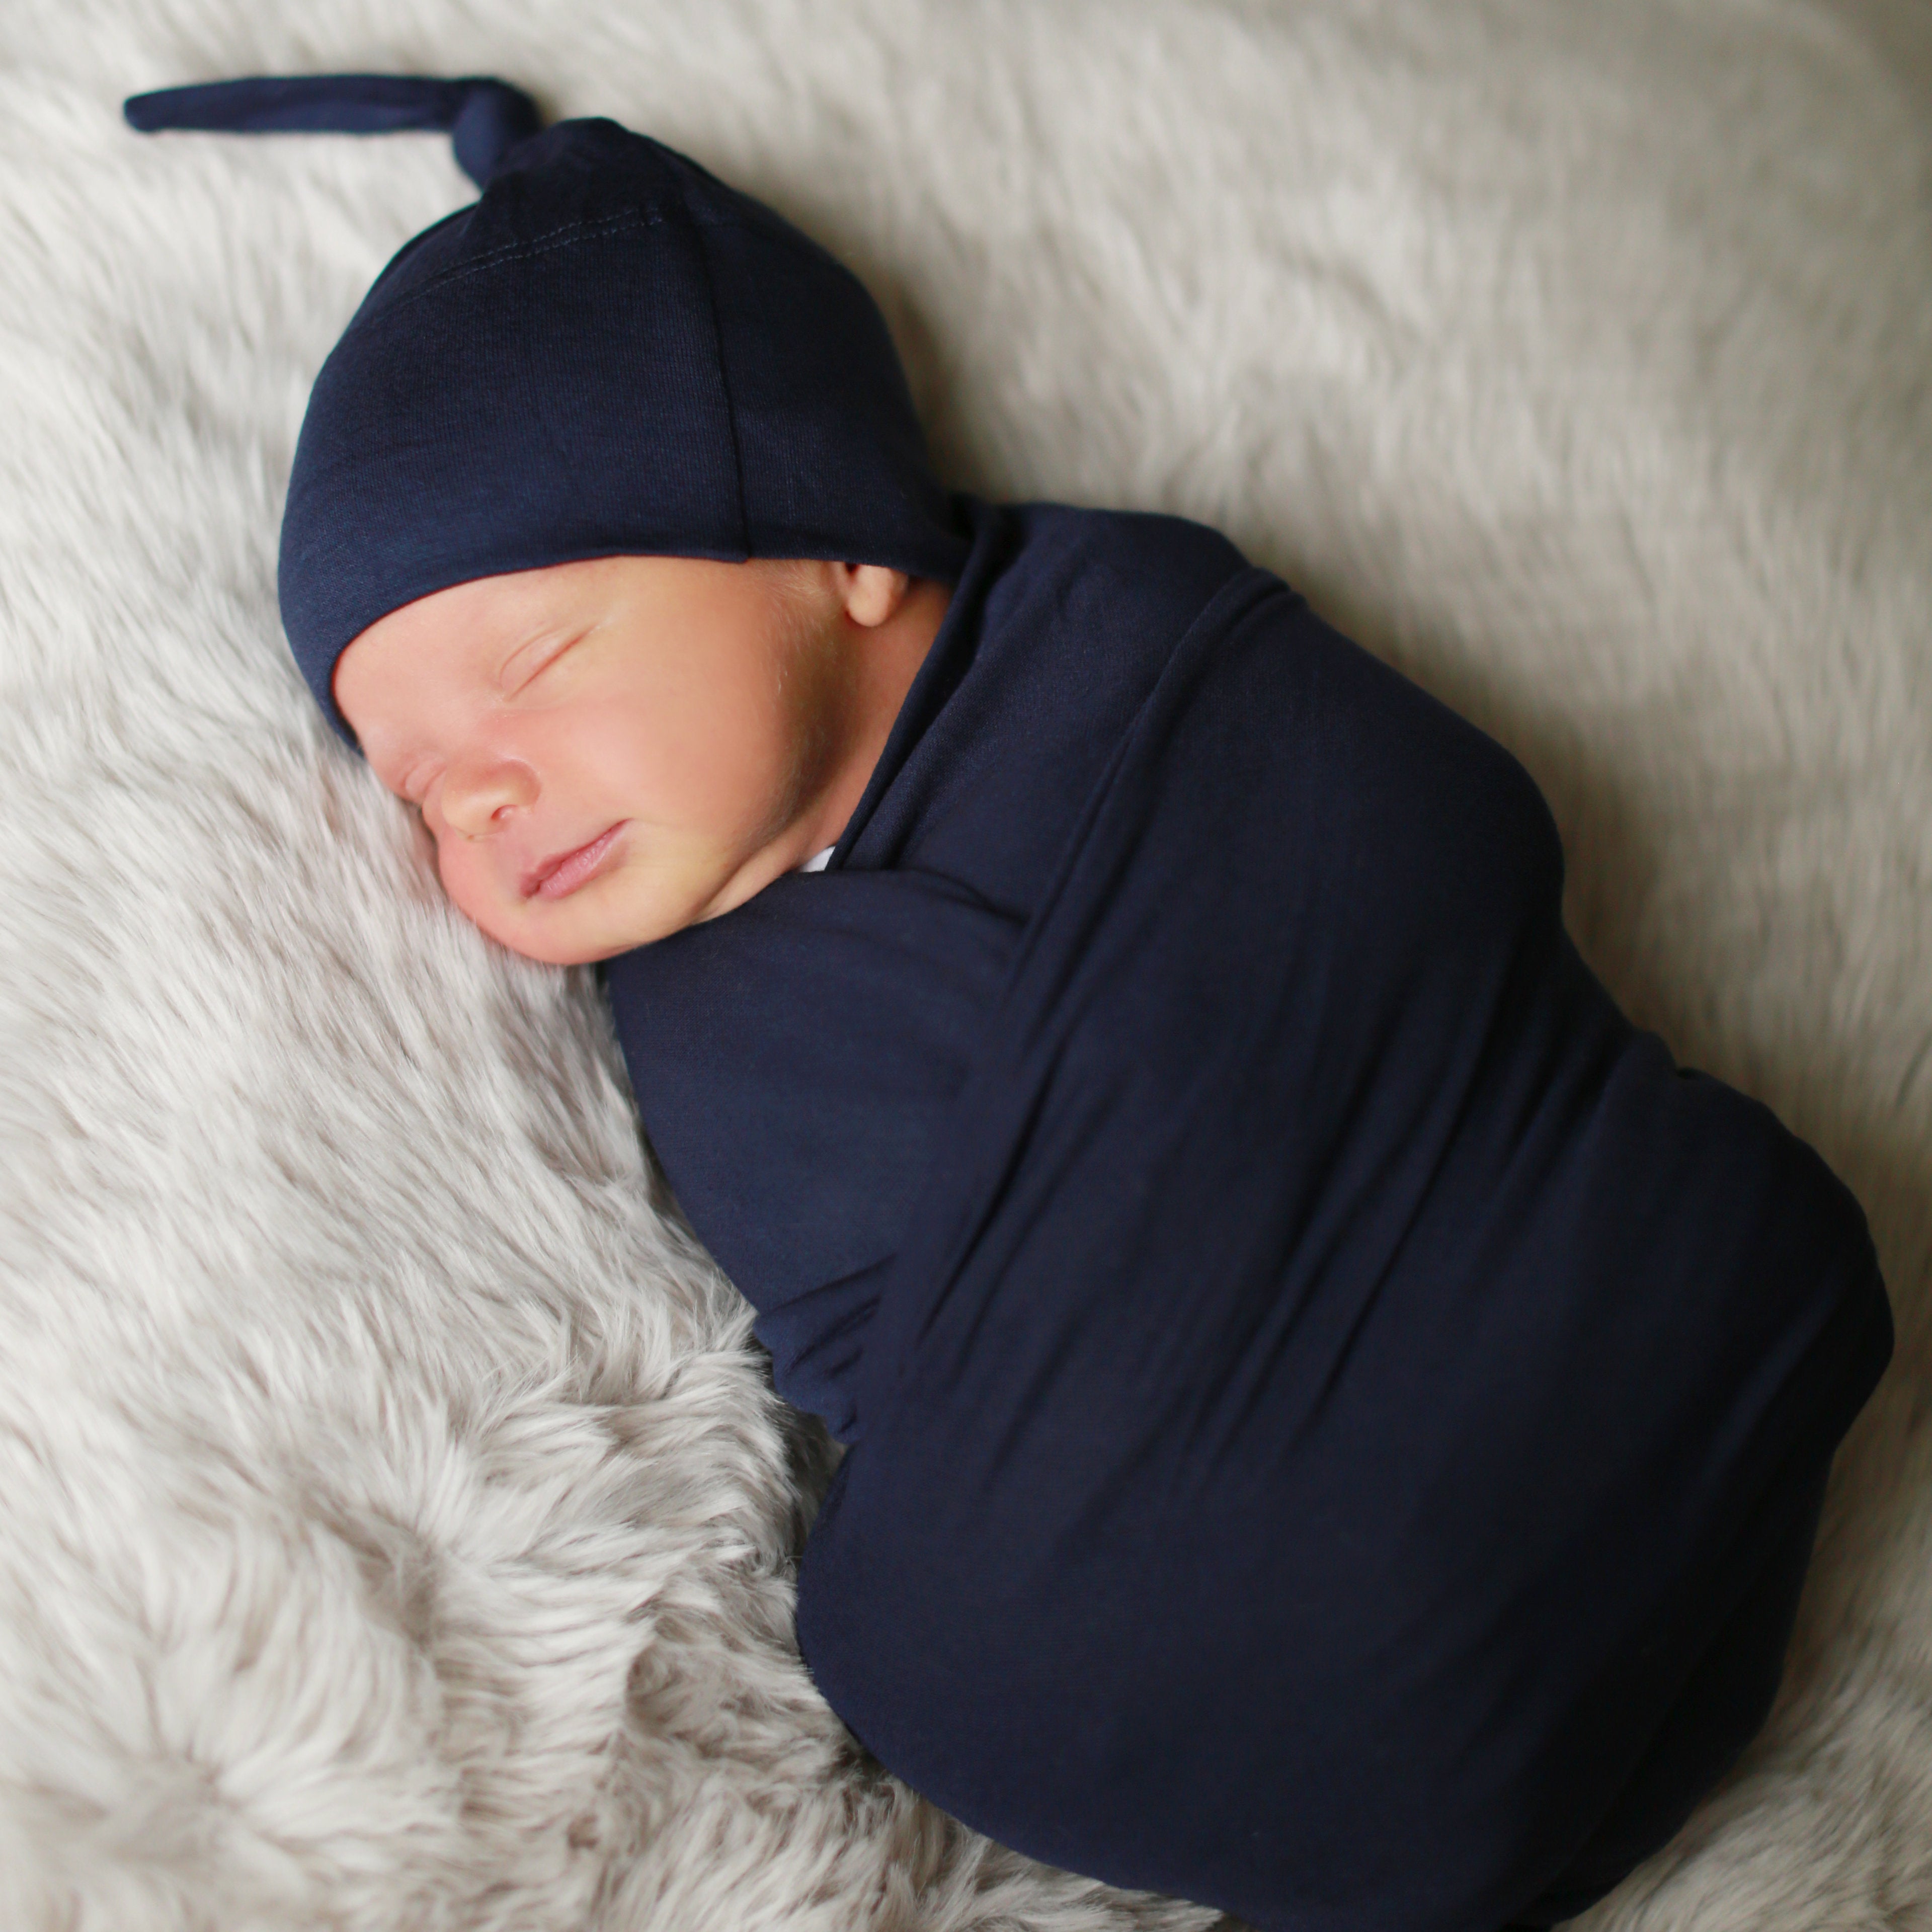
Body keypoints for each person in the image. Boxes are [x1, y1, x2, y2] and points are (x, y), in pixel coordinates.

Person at [125, 75, 1894, 1932]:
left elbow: (1409, 831)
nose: (476, 794)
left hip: (1526, 1306)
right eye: (412, 781)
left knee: (1678, 1213)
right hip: (1243, 1603)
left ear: (838, 545)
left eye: (539, 663)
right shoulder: (695, 1007)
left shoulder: (1137, 643)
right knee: (898, 1649)